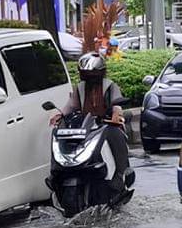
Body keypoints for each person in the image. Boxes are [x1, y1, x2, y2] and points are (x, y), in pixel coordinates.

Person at [52, 53, 130, 190]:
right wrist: (60, 114)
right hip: (85, 124)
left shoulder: (110, 86)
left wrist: (116, 113)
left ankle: (120, 175)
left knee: (117, 137)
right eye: (86, 73)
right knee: (60, 137)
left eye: (92, 73)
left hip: (106, 124)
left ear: (100, 72)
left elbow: (117, 103)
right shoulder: (80, 87)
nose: (89, 77)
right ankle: (57, 173)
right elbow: (71, 105)